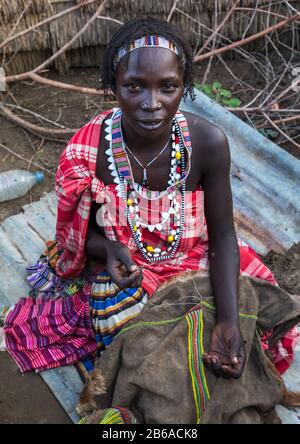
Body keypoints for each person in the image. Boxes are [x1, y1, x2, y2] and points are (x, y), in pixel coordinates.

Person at [3, 17, 298, 395]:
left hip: (195, 258)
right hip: (128, 273)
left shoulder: (207, 144)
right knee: (144, 343)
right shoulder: (90, 151)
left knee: (250, 324)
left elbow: (223, 235)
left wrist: (227, 321)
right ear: (114, 85)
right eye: (135, 87)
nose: (152, 104)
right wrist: (108, 249)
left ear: (184, 87)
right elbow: (75, 234)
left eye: (168, 87)